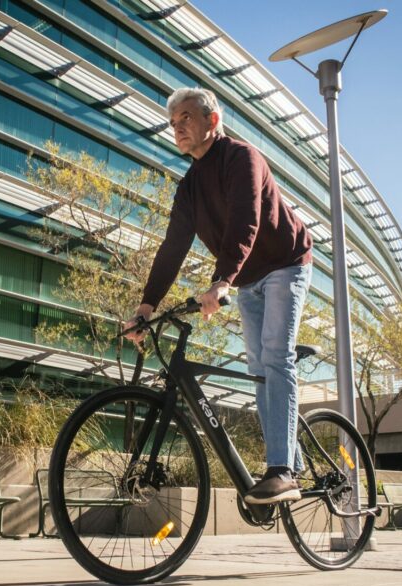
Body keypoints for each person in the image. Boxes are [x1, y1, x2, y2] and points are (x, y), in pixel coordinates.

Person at [123, 88, 313, 505]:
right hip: (246, 279)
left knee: (275, 355)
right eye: (173, 124)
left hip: (286, 263)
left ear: (212, 120)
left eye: (187, 118)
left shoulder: (241, 158)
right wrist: (145, 307)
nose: (178, 129)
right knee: (257, 367)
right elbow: (173, 246)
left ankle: (282, 471)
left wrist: (222, 280)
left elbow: (246, 220)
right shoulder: (189, 187)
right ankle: (291, 464)